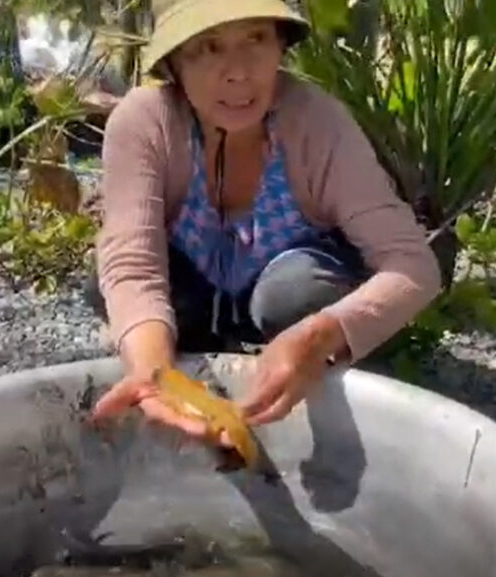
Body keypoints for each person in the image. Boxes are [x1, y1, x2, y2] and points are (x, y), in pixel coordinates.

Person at [84, 0, 442, 443]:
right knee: (113, 289)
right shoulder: (145, 122)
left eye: (256, 38)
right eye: (209, 47)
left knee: (294, 295)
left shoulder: (318, 123)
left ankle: (314, 358)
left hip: (288, 284)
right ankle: (196, 354)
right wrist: (153, 372)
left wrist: (318, 336)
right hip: (197, 289)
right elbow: (133, 263)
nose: (238, 72)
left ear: (280, 46)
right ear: (175, 63)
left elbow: (413, 265)